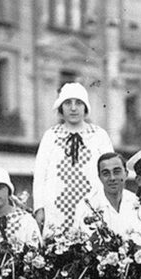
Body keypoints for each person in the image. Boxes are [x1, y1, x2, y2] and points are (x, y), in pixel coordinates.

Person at [32, 82, 114, 236]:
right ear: (61, 107)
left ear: (85, 107)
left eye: (78, 103)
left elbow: (110, 171)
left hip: (92, 206)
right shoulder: (51, 135)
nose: (73, 108)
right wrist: (39, 208)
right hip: (56, 209)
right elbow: (39, 175)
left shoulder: (99, 135)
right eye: (68, 103)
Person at [74, 152, 139, 236]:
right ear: (99, 177)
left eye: (117, 172)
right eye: (106, 173)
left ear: (126, 174)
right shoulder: (86, 207)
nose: (112, 178)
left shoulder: (137, 203)